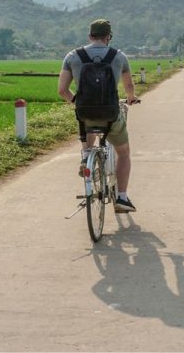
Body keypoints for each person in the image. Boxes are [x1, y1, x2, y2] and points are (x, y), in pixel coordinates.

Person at [58, 19, 140, 212]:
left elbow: (62, 90)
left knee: (88, 121)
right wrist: (131, 98)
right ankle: (121, 198)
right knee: (124, 153)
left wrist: (76, 102)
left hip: (85, 113)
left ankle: (86, 155)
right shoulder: (118, 56)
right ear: (108, 37)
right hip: (110, 113)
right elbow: (129, 87)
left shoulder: (73, 56)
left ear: (90, 36)